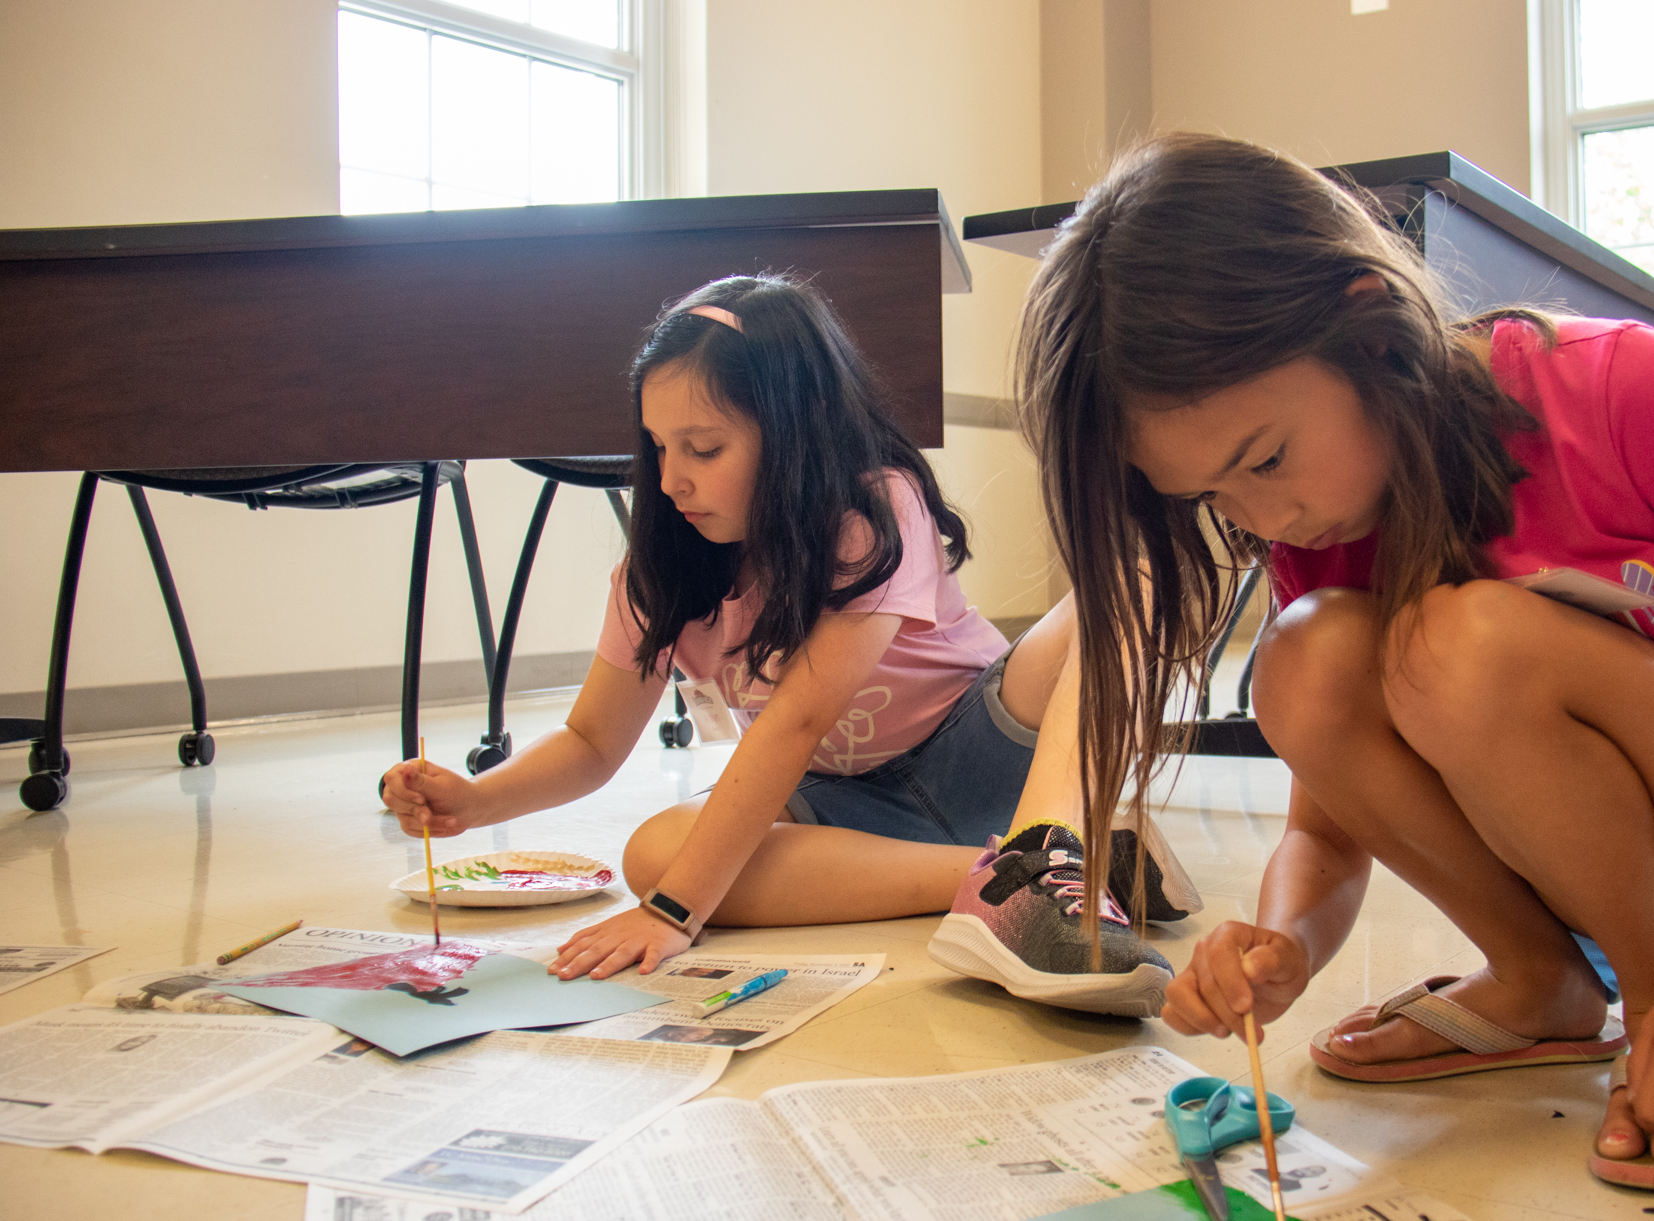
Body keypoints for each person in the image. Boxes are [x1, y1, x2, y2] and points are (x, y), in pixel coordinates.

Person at [1012, 135, 1654, 1190]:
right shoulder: (1319, 521)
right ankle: (1541, 981)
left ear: (1365, 324)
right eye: (1214, 496)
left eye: (1266, 458)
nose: (1264, 517)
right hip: (1587, 867)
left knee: (1458, 645)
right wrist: (1280, 941)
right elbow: (1324, 834)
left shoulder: (1611, 384)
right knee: (1303, 659)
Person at [380, 274, 1194, 1015]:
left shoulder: (875, 510)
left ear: (796, 434)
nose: (671, 479)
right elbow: (593, 740)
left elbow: (796, 721)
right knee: (654, 853)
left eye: (704, 448)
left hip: (982, 747)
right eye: (658, 447)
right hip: (843, 807)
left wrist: (675, 914)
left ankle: (1044, 842)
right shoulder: (659, 574)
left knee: (1131, 582)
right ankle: (1025, 874)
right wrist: (478, 800)